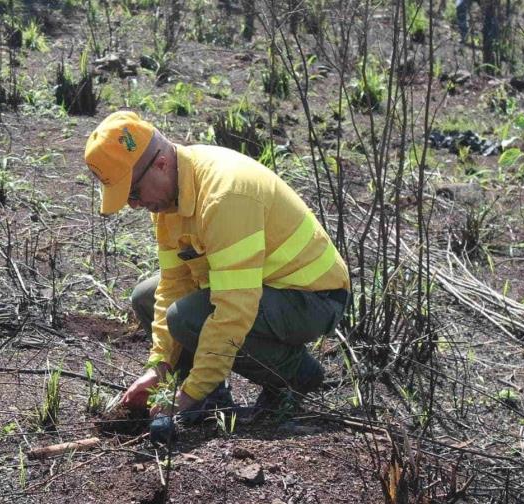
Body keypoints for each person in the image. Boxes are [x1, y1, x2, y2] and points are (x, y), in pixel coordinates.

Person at [83, 111, 350, 423]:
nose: (134, 205)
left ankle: (296, 375)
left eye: (134, 192)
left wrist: (188, 394)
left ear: (161, 164)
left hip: (311, 298)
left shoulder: (226, 196)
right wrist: (159, 367)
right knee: (146, 296)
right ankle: (211, 399)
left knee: (188, 318)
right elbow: (173, 285)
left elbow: (233, 309)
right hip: (259, 287)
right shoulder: (169, 198)